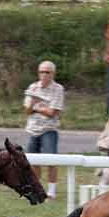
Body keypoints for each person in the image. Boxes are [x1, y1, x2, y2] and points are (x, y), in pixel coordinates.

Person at [24, 60, 64, 200]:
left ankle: (51, 191)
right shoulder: (33, 87)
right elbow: (27, 110)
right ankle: (36, 189)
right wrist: (40, 108)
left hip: (49, 129)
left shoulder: (58, 89)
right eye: (41, 72)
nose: (44, 74)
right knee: (33, 161)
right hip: (32, 129)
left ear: (53, 73)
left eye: (47, 72)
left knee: (51, 160)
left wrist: (36, 107)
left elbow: (53, 113)